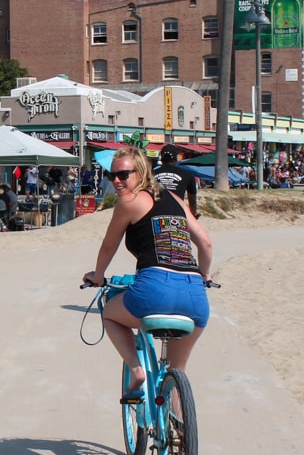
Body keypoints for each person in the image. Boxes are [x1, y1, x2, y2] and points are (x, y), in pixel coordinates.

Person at [82, 146, 213, 397]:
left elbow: (109, 245)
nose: (117, 181)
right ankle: (180, 430)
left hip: (155, 290)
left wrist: (98, 275)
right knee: (178, 370)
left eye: (123, 175)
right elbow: (205, 244)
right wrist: (204, 276)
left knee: (110, 314)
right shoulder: (175, 199)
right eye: (112, 176)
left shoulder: (129, 201)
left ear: (141, 172)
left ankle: (135, 369)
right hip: (195, 296)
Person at [151, 144, 199, 216]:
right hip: (177, 215)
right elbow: (192, 202)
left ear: (161, 159)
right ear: (176, 159)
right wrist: (193, 216)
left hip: (156, 215)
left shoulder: (151, 174)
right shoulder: (188, 175)